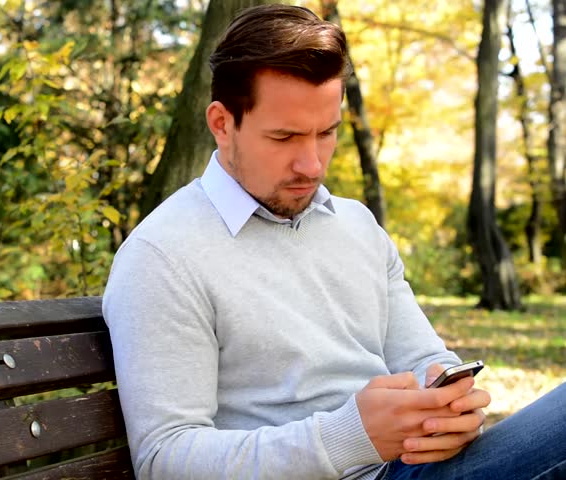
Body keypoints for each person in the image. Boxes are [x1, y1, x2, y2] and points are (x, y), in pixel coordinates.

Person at [102, 4, 566, 480]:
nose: (312, 165)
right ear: (222, 124)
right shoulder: (163, 255)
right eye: (284, 137)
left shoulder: (357, 226)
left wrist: (453, 404)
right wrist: (348, 438)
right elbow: (165, 460)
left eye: (327, 133)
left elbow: (424, 358)